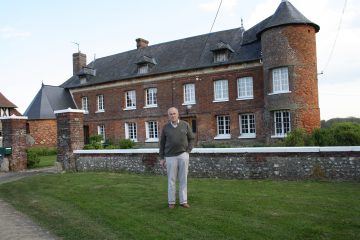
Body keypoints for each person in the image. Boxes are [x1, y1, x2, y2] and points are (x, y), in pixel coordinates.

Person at [159, 107, 194, 209]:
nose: (172, 115)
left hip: (183, 155)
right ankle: (171, 201)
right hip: (170, 157)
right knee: (171, 180)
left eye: (174, 113)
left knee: (183, 179)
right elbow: (162, 144)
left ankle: (183, 201)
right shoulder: (165, 128)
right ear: (168, 116)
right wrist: (162, 158)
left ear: (178, 114)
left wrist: (188, 152)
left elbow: (191, 138)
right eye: (170, 114)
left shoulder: (185, 125)